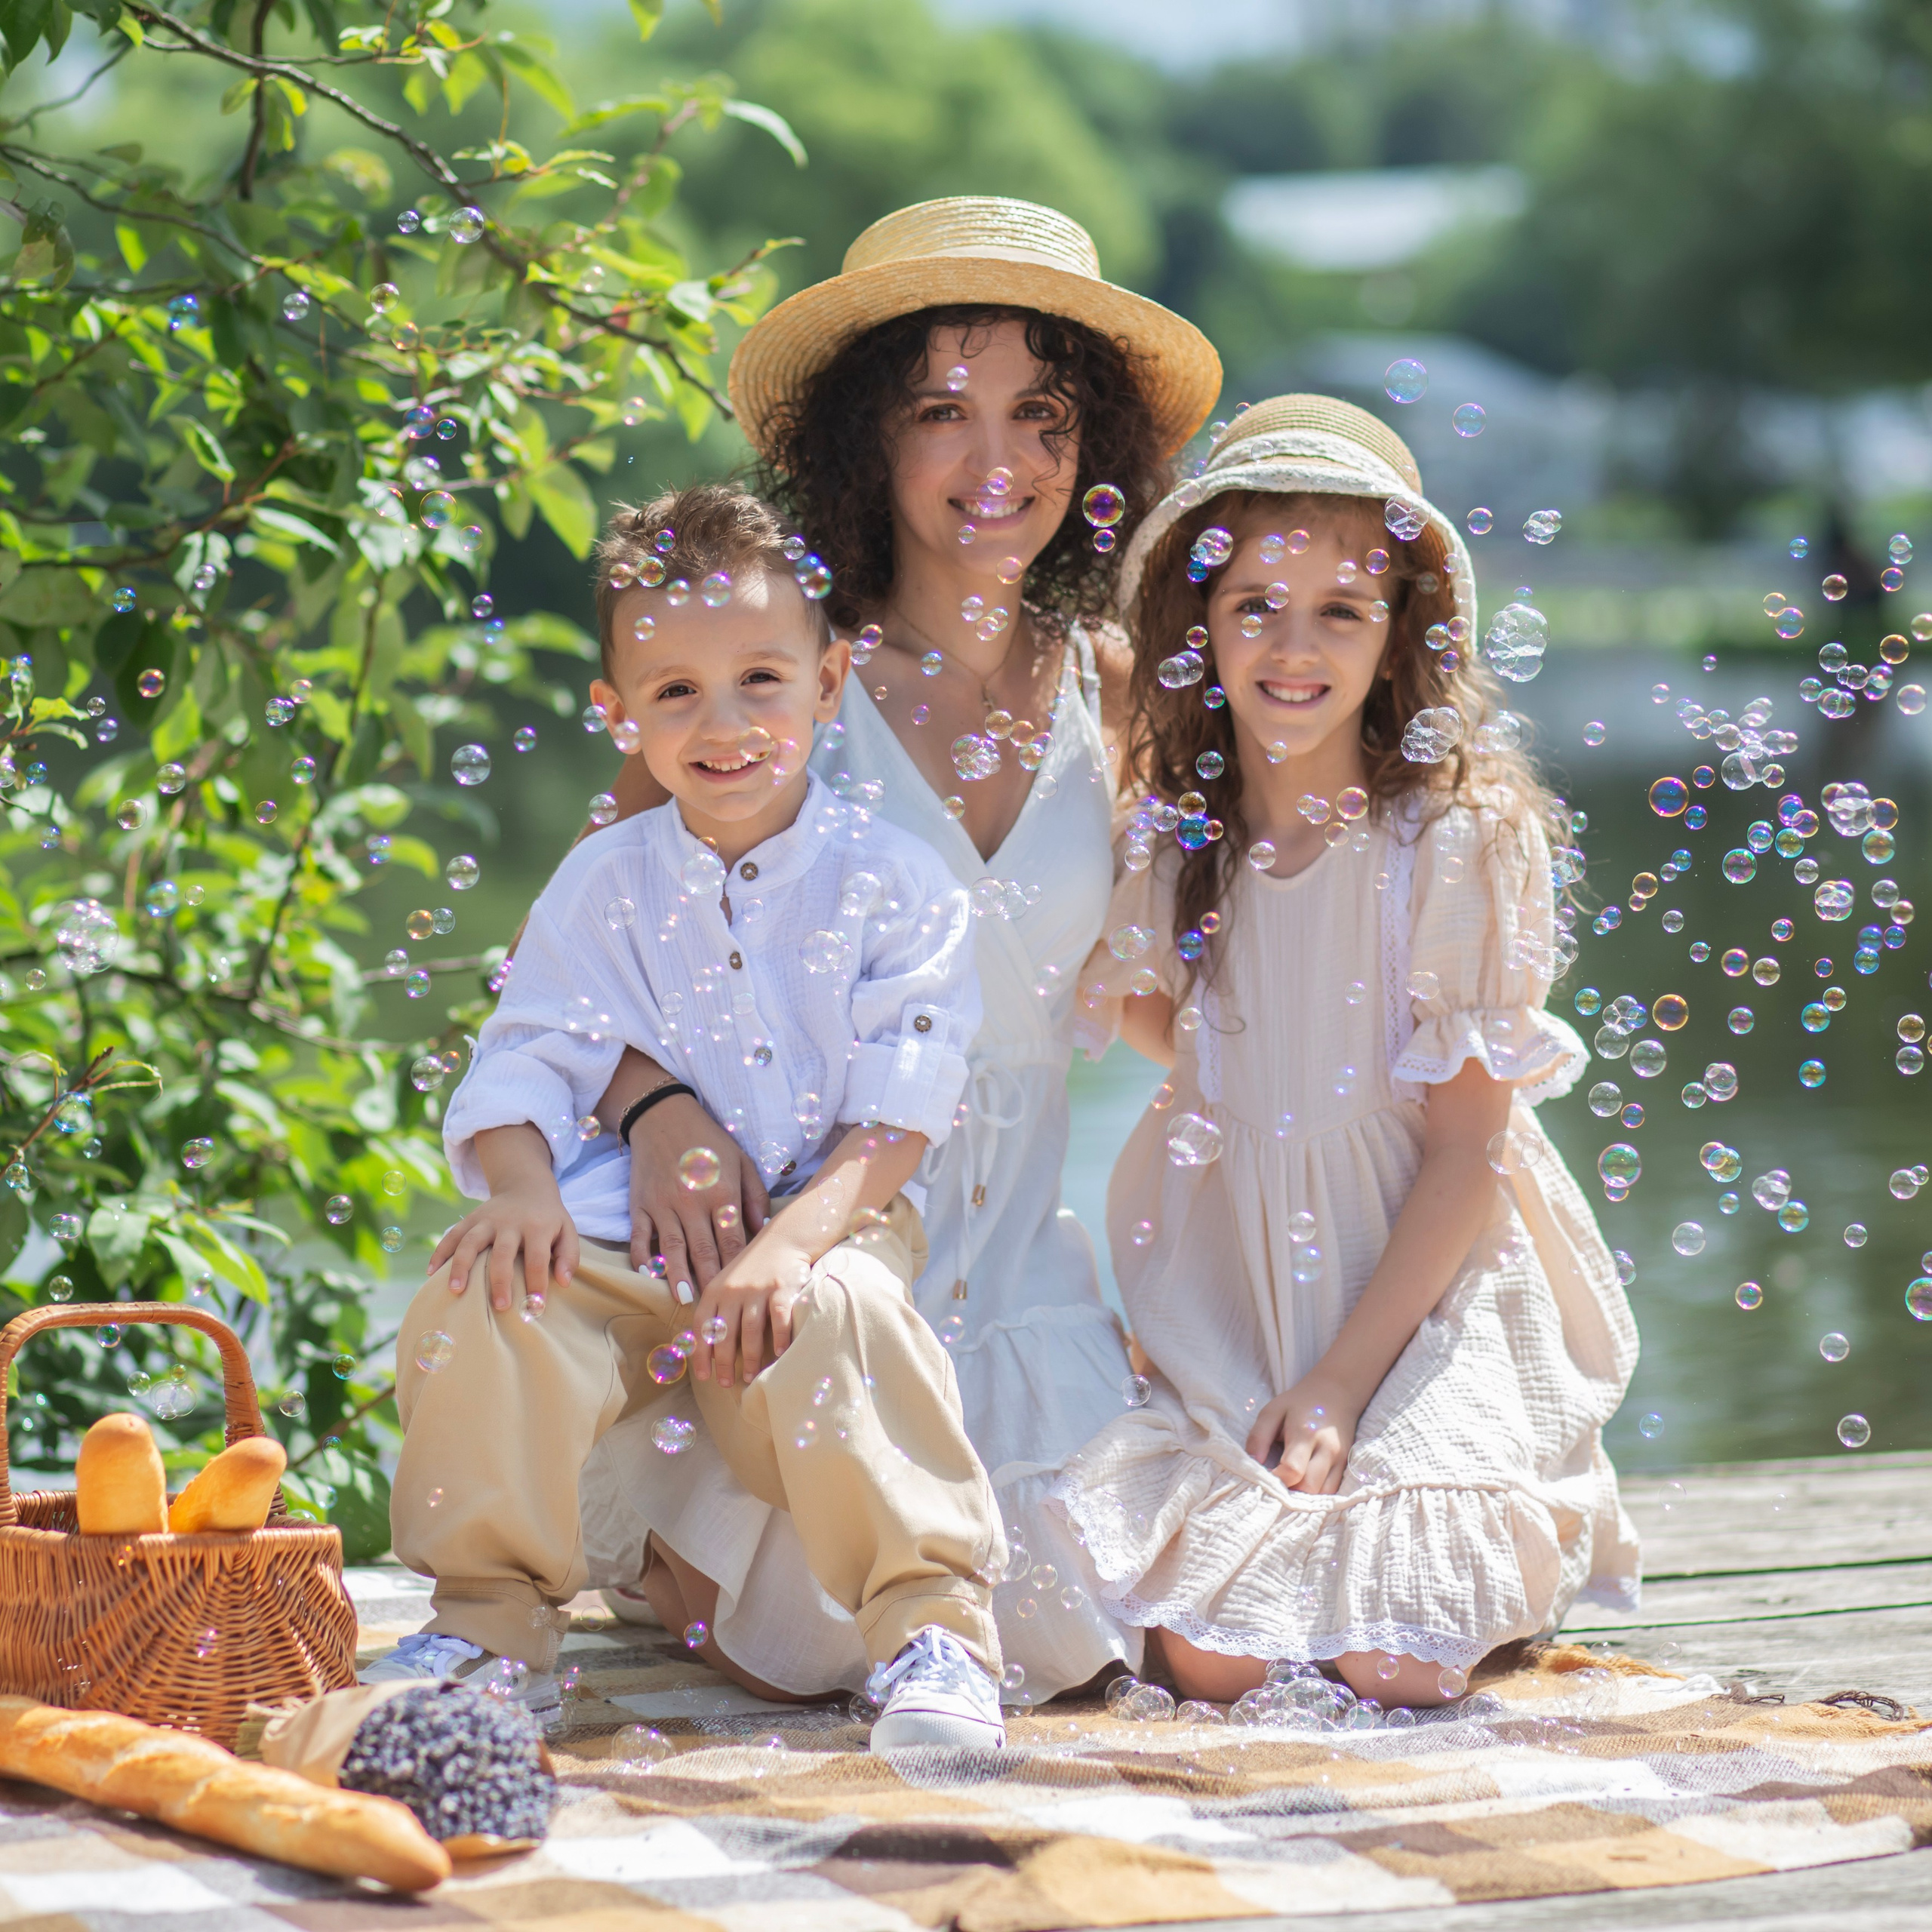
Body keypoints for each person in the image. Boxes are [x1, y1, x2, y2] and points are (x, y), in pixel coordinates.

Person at [579, 198, 1222, 1703]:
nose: (997, 463)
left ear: (1093, 447)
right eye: (942, 410)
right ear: (868, 441)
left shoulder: (1115, 687)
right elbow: (562, 981)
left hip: (1016, 1291)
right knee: (808, 1636)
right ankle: (672, 1509)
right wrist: (656, 1107)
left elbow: (1138, 1003)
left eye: (1039, 414)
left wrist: (1400, 1100)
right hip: (803, 1283)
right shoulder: (772, 678)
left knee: (1091, 1635)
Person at [370, 484, 1011, 1752]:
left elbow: (901, 1114)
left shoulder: (895, 883)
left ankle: (929, 1626)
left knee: (847, 1312)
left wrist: (788, 1248)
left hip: (824, 1222)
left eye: (762, 680)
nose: (723, 725)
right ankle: (495, 1622)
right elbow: (528, 1055)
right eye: (674, 693)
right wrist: (518, 1192)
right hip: (626, 1240)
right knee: (491, 1287)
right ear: (619, 714)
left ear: (831, 683)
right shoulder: (606, 880)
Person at [1057, 395, 1639, 1709]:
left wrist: (1336, 1385)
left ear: (1401, 635)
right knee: (1213, 1657)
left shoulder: (1451, 842)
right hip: (1247, 1288)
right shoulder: (1185, 845)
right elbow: (1185, 1042)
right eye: (1255, 603)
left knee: (1397, 1654)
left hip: (1423, 1293)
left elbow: (1469, 1152)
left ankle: (1456, 1524)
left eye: (1342, 609)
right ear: (1198, 627)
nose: (1294, 646)